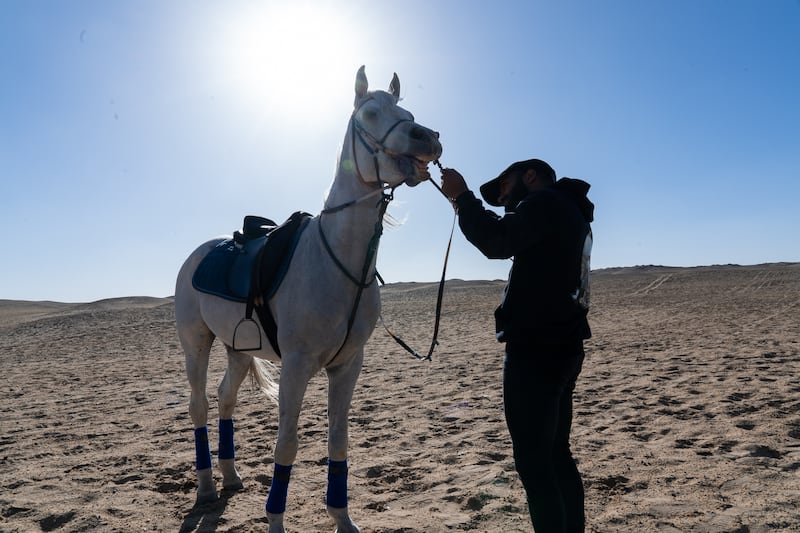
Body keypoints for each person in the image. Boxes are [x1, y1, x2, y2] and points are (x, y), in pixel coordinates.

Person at [440, 159, 594, 533]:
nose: (505, 198)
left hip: (536, 349)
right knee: (556, 454)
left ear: (530, 176)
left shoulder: (546, 203)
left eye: (506, 186)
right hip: (563, 346)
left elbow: (497, 241)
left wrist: (463, 198)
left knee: (534, 462)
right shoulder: (570, 211)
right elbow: (511, 238)